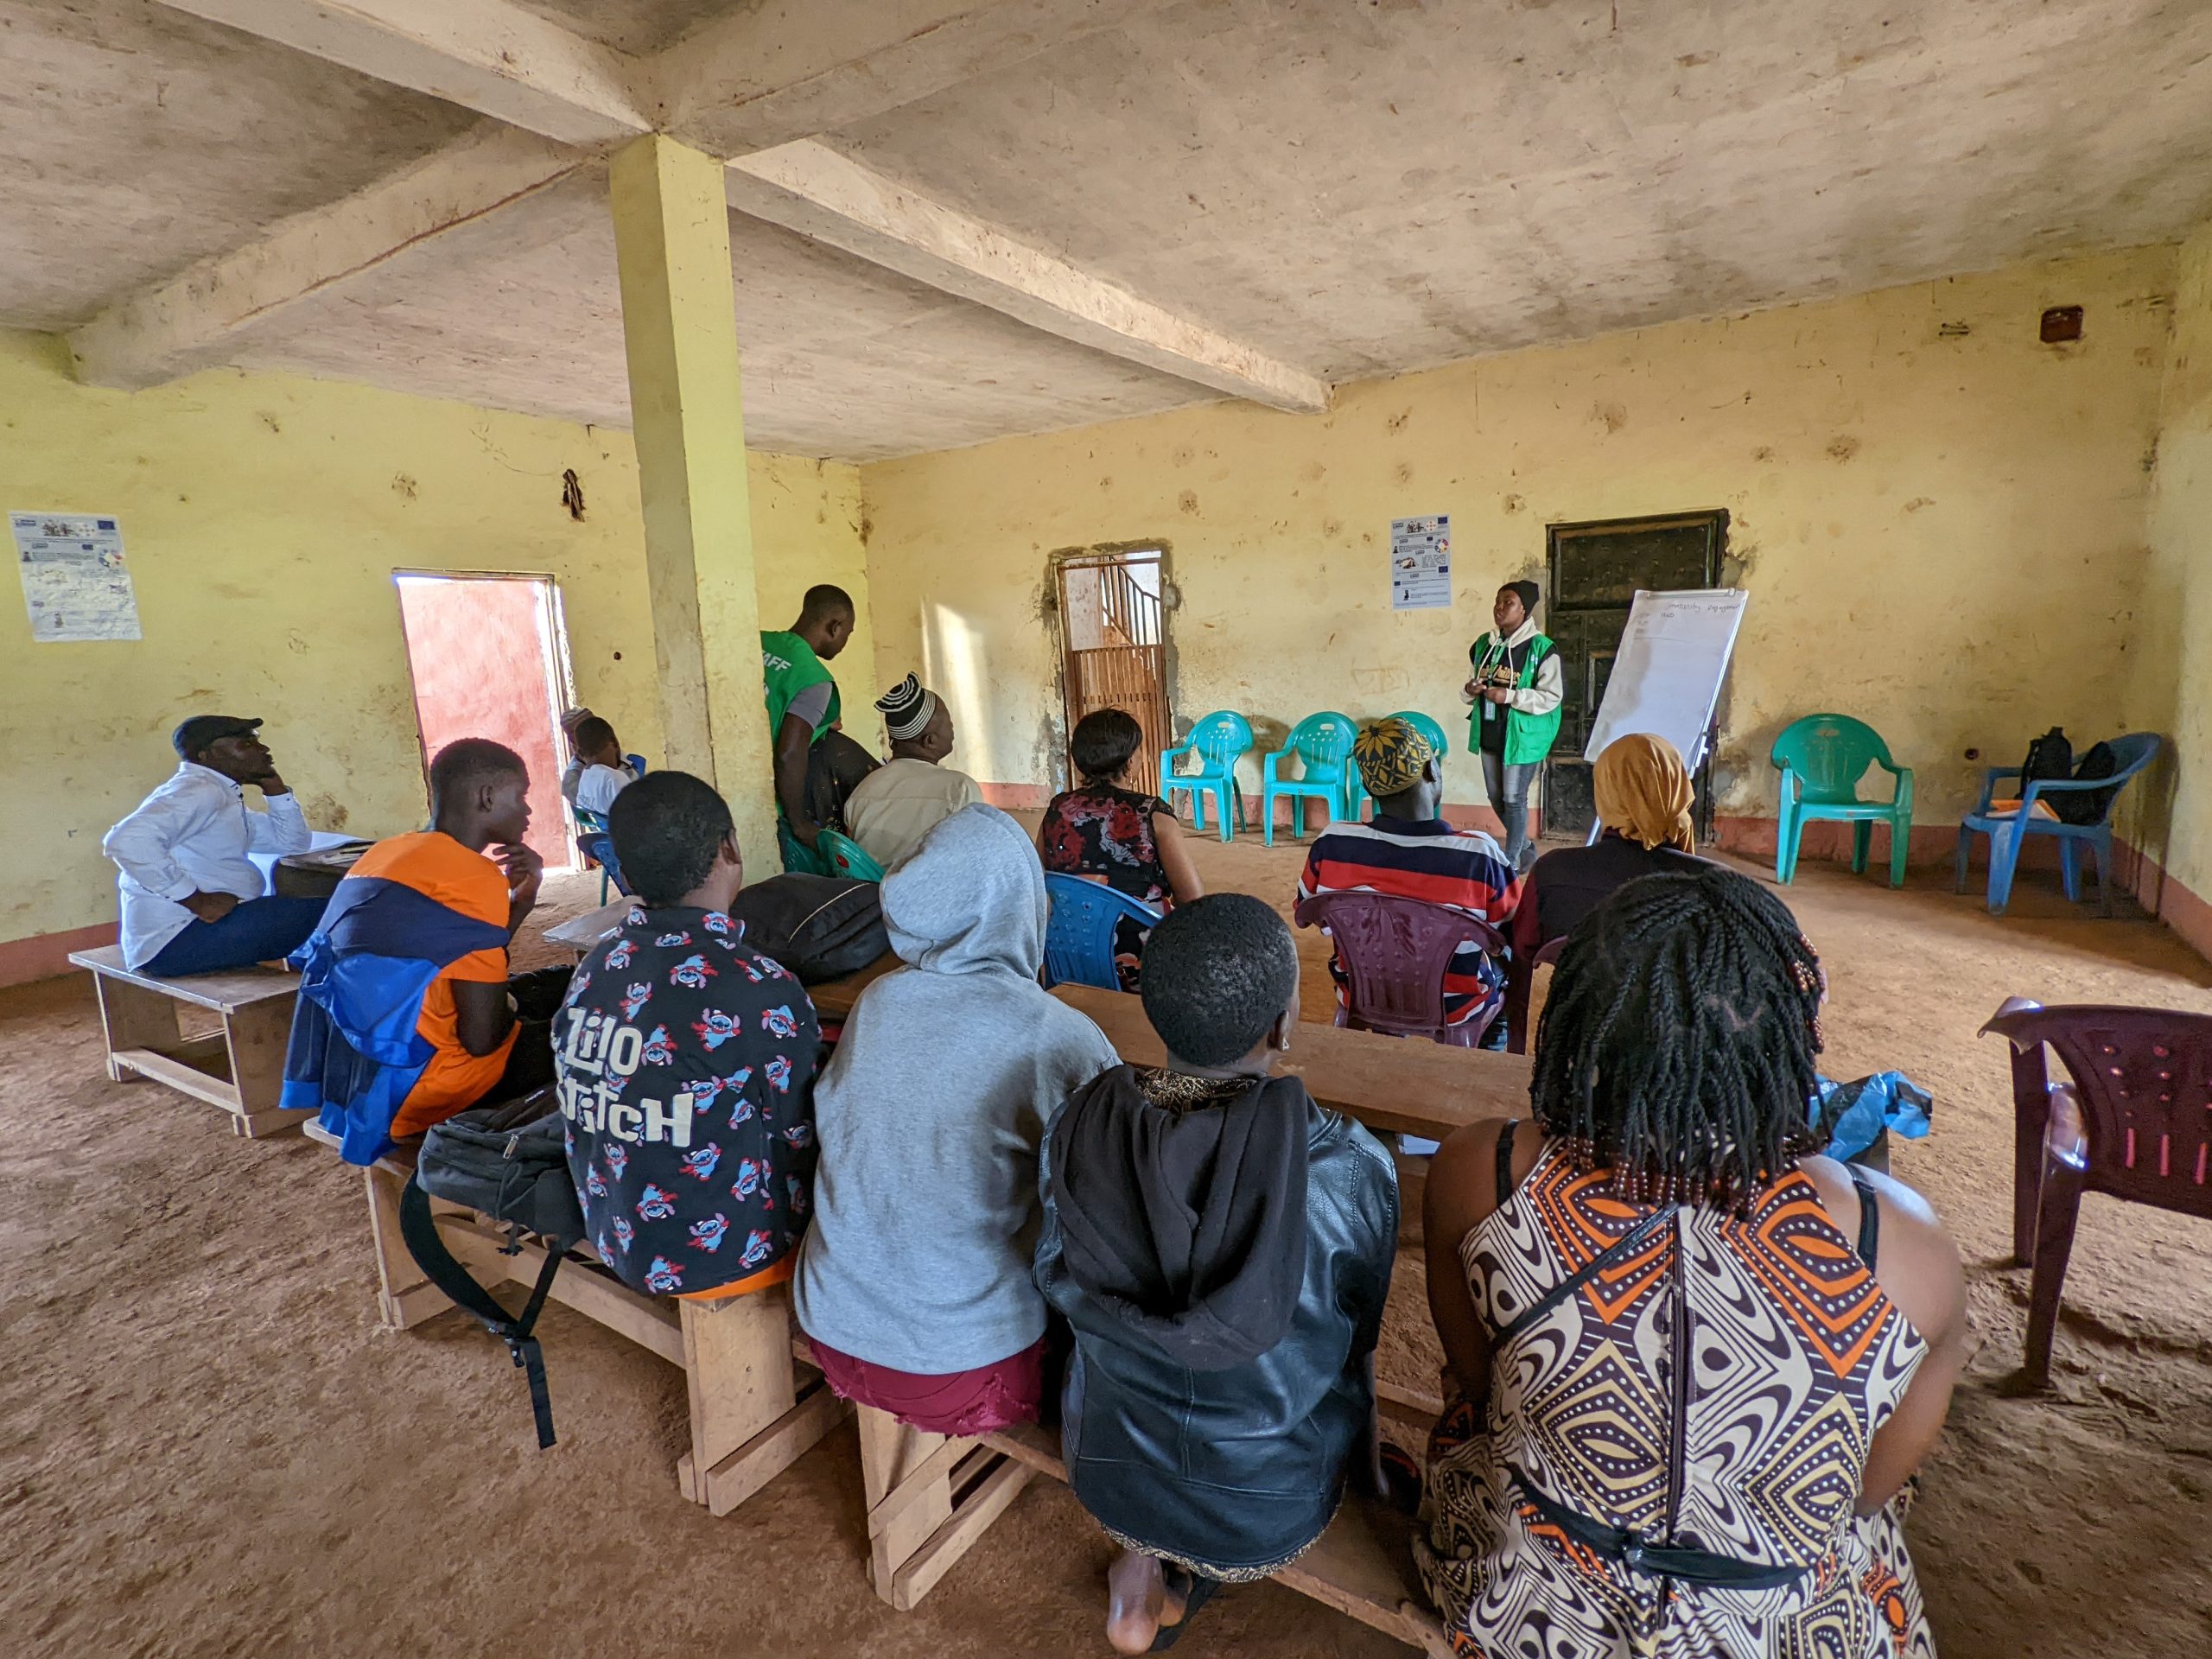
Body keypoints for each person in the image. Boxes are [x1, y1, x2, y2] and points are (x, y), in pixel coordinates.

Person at [1416, 866, 1967, 1659]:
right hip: (1782, 1629)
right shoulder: (1901, 1244)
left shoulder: (1487, 1173)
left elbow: (1476, 1383)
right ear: (1789, 1031)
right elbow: (1866, 1493)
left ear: (1581, 1019)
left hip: (1533, 1610)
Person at [1036, 894, 1398, 1653]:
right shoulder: (1350, 1166)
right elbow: (1358, 1346)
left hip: (1107, 1473)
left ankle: (1138, 1574)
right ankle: (1168, 1567)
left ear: (1157, 1014)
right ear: (1284, 1026)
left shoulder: (1079, 1123)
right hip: (1267, 1512)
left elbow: (1053, 1273)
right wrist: (1369, 1478)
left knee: (1124, 1373)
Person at [793, 804, 1116, 1437]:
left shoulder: (878, 1003)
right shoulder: (1058, 1035)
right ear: (1021, 906)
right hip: (961, 1369)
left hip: (831, 1326)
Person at [556, 771, 819, 1300]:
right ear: (730, 848)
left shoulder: (595, 966)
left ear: (624, 872)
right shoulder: (759, 986)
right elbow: (801, 1134)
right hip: (724, 1255)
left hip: (614, 1232)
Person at [282, 739, 568, 1164]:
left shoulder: (387, 852)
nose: (527, 810)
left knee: (557, 984)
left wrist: (520, 905)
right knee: (592, 1030)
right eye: (521, 795)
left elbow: (455, 953)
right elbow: (482, 1040)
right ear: (487, 796)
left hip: (359, 1080)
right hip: (426, 1089)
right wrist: (514, 1012)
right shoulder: (473, 875)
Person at [1294, 716, 1518, 1040]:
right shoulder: (1479, 855)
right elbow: (1510, 933)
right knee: (1502, 987)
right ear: (1432, 770)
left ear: (1369, 787)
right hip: (1453, 1006)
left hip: (1362, 994)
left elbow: (1310, 913)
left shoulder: (1332, 844)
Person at [1503, 731, 1707, 1046]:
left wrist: (1517, 1047)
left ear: (1605, 792)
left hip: (1575, 1041)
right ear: (1678, 787)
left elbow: (1522, 955)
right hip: (1669, 1047)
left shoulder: (1552, 871)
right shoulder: (1712, 884)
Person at [102, 715, 327, 975]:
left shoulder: (222, 795)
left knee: (327, 911)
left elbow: (292, 844)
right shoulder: (199, 791)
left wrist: (273, 785)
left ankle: (317, 986)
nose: (263, 749)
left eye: (257, 742)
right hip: (179, 939)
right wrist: (198, 902)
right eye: (246, 745)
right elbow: (126, 840)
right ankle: (326, 992)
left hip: (193, 932)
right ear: (207, 756)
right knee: (341, 910)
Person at [1039, 707, 1203, 987]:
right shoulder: (1154, 815)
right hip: (1135, 962)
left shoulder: (1057, 810)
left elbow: (1036, 880)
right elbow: (1193, 900)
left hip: (1066, 954)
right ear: (1129, 762)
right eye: (1140, 750)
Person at [1461, 579, 1562, 870]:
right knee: (1496, 796)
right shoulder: (1484, 645)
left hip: (1522, 736)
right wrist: (1470, 689)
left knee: (1514, 798)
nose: (1500, 608)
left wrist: (1511, 696)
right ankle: (1525, 847)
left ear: (1524, 610)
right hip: (1490, 731)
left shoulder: (1542, 648)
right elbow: (1469, 686)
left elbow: (1552, 697)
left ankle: (1512, 861)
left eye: (1509, 603)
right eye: (1498, 601)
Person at [842, 673, 983, 870]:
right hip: (931, 889)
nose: (953, 729)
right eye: (949, 724)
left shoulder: (863, 790)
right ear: (930, 741)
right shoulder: (959, 788)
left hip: (871, 888)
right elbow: (977, 857)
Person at [761, 584, 856, 872]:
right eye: (848, 633)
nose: (845, 642)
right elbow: (790, 753)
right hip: (764, 795)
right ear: (835, 627)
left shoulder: (758, 642)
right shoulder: (814, 679)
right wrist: (799, 823)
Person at [568, 715, 637, 820]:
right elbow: (635, 817)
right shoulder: (615, 779)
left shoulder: (584, 781)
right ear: (614, 743)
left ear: (580, 753)